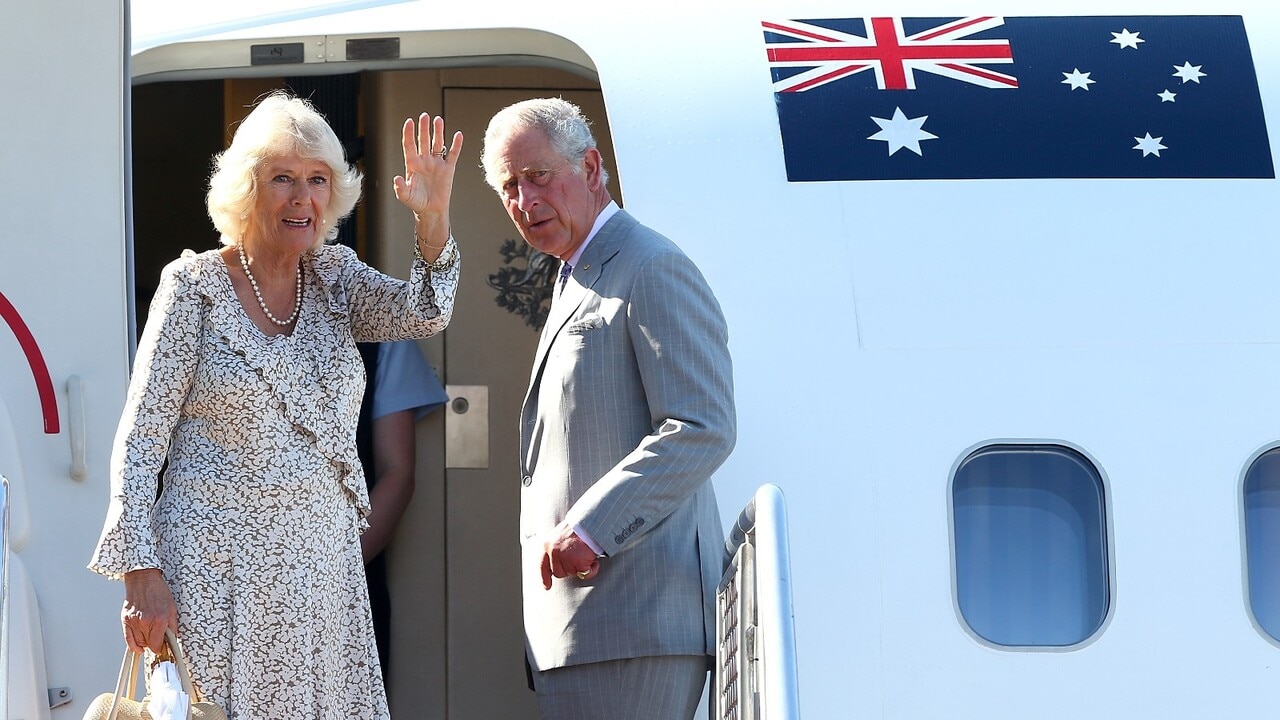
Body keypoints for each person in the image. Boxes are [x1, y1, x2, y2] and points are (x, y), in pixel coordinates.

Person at [88, 91, 463, 719]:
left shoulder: (337, 279)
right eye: (282, 178)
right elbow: (141, 436)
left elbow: (426, 312)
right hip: (213, 578)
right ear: (245, 189)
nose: (302, 197)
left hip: (321, 576)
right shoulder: (193, 289)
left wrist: (433, 219)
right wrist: (140, 573)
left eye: (318, 180)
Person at [480, 97, 737, 718]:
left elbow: (702, 426)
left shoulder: (650, 266)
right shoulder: (580, 271)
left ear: (591, 167)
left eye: (540, 176)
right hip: (592, 628)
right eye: (509, 186)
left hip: (634, 620)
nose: (525, 200)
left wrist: (591, 526)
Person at [355, 338, 448, 678]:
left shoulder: (379, 323)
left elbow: (397, 474)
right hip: (219, 573)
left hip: (341, 589)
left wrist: (331, 573)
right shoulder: (197, 308)